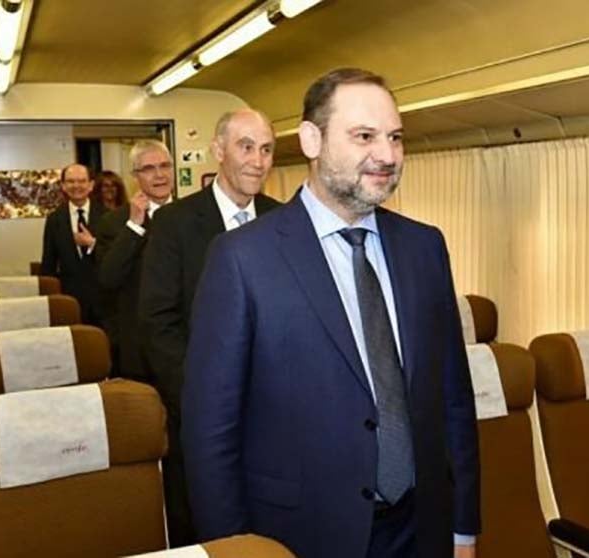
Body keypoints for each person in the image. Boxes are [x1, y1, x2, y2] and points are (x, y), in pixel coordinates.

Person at [181, 69, 480, 558]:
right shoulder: (241, 259)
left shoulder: (425, 247)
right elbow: (212, 433)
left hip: (421, 528)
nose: (386, 155)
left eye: (395, 138)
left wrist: (463, 529)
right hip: (301, 536)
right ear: (311, 139)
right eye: (364, 136)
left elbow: (453, 400)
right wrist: (234, 550)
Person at [139, 107, 281, 547]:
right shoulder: (174, 224)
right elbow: (158, 323)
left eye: (267, 149)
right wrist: (208, 398)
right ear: (218, 151)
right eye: (245, 147)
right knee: (208, 531)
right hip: (203, 413)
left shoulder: (284, 220)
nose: (258, 160)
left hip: (277, 413)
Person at [95, 141, 174, 380]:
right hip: (139, 347)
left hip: (187, 342)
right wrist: (134, 228)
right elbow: (107, 278)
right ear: (135, 177)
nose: (159, 175)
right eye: (149, 168)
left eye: (164, 166)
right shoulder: (114, 223)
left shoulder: (194, 214)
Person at [40, 163, 106, 326]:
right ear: (63, 186)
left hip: (103, 298)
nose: (76, 186)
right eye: (70, 181)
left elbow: (115, 256)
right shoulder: (54, 219)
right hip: (68, 299)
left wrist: (92, 243)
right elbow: (48, 263)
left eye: (82, 181)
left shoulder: (108, 216)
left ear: (91, 185)